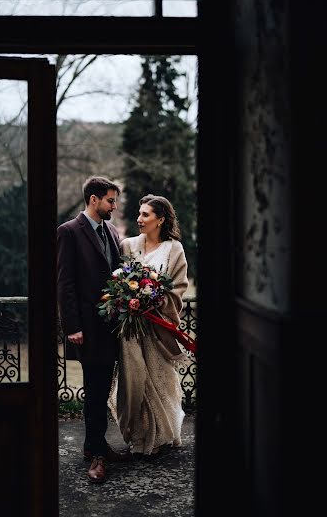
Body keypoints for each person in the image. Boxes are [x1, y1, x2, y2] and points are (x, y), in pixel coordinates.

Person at [57, 176, 131, 484]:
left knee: (102, 387)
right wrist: (72, 326)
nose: (114, 206)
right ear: (93, 200)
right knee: (95, 391)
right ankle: (98, 455)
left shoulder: (112, 231)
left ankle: (93, 447)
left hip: (112, 327)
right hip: (86, 328)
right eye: (110, 201)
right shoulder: (69, 232)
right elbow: (65, 283)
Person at [109, 194, 190, 458]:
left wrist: (153, 300)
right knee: (134, 381)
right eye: (139, 214)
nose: (139, 219)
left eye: (146, 215)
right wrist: (127, 300)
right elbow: (116, 282)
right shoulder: (127, 245)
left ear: (160, 219)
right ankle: (137, 433)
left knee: (159, 379)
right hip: (130, 330)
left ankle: (161, 435)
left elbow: (178, 288)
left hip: (157, 327)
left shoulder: (174, 249)